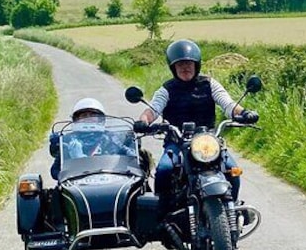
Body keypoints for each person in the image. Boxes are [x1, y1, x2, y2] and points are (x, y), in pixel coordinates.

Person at [134, 39, 258, 210]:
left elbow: (228, 104)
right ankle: (162, 216)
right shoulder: (167, 89)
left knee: (232, 169)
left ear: (196, 64)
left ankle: (233, 209)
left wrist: (244, 113)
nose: (185, 68)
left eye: (189, 64)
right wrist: (143, 121)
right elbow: (153, 110)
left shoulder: (209, 84)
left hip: (207, 141)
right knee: (164, 170)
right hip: (177, 142)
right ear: (173, 68)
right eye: (180, 65)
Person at [49, 97, 137, 180]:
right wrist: (73, 162)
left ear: (101, 119)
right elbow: (55, 171)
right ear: (76, 119)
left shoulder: (109, 137)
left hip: (108, 179)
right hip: (77, 182)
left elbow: (128, 154)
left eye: (93, 116)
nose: (88, 118)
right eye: (84, 116)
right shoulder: (69, 139)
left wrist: (131, 153)